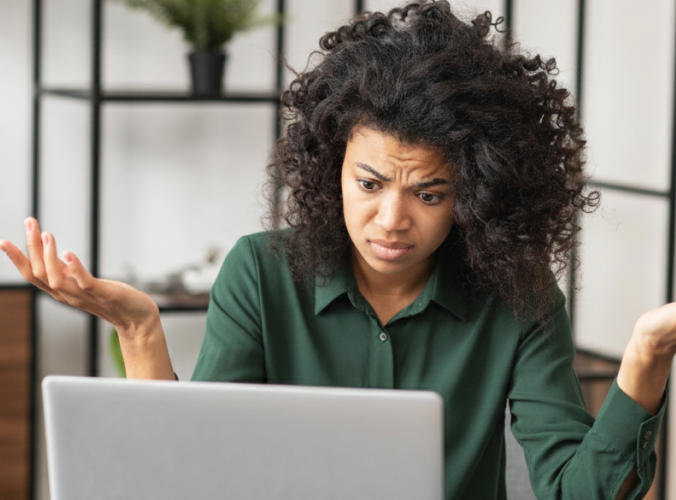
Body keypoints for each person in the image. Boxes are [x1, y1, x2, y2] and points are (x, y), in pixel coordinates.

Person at [1, 1, 674, 498]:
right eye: (370, 183)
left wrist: (644, 356)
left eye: (431, 194)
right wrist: (140, 328)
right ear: (333, 168)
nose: (392, 219)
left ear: (477, 195)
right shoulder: (261, 272)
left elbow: (577, 494)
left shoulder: (519, 297)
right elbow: (199, 474)